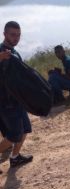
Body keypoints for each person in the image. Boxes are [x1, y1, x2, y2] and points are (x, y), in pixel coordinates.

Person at [0, 21, 33, 173]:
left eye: (18, 35)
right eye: (12, 35)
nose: (16, 38)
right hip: (6, 102)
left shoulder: (14, 52)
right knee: (14, 135)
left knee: (25, 129)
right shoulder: (1, 51)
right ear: (4, 34)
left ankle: (15, 157)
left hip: (17, 100)